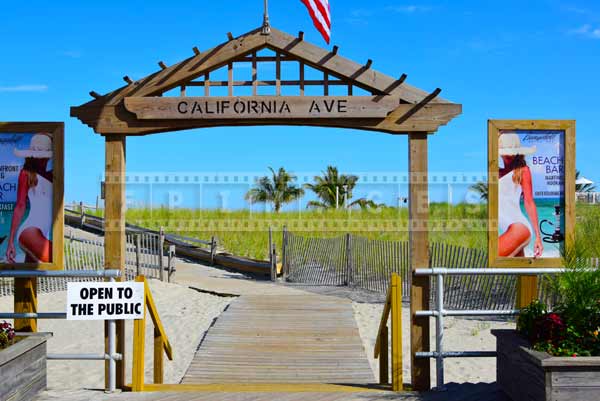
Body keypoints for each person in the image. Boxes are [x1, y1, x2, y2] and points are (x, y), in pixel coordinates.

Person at [6, 133, 53, 263]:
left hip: (41, 232)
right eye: (40, 157)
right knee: (54, 256)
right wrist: (10, 242)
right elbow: (20, 206)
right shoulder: (26, 173)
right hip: (29, 230)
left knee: (29, 273)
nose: (42, 160)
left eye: (43, 157)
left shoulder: (52, 175)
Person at [498, 132, 543, 258]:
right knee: (520, 273)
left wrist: (538, 238)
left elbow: (529, 202)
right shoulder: (495, 172)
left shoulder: (523, 170)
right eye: (504, 150)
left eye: (511, 150)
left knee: (492, 256)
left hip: (519, 227)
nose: (508, 154)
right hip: (509, 229)